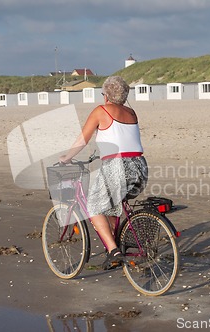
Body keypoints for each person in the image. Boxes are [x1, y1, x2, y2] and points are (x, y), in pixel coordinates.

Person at [59, 76, 148, 270]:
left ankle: (113, 251)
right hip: (139, 167)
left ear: (106, 95)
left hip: (117, 167)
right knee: (111, 203)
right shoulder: (131, 113)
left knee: (92, 207)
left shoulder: (101, 111)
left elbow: (82, 141)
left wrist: (66, 158)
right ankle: (115, 244)